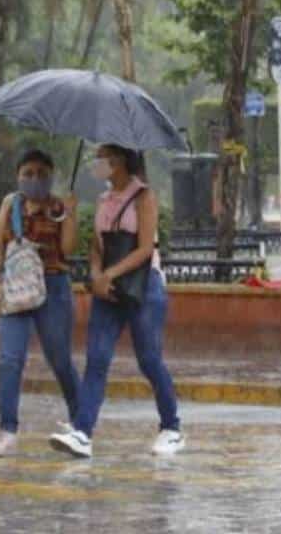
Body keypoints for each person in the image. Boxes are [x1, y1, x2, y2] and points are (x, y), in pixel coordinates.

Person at [49, 144, 184, 458]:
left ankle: (172, 428)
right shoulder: (103, 200)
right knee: (96, 358)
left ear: (119, 160)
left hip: (143, 287)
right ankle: (83, 432)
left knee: (149, 360)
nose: (96, 162)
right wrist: (97, 274)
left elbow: (146, 248)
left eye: (102, 156)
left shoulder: (144, 197)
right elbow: (96, 245)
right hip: (107, 290)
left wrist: (109, 273)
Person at [0, 149, 81, 457]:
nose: (34, 179)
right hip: (15, 289)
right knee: (10, 359)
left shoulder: (59, 207)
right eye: (27, 173)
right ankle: (7, 431)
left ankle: (81, 423)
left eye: (41, 173)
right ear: (18, 176)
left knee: (60, 359)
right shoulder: (10, 204)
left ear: (51, 176)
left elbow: (68, 249)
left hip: (53, 289)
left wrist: (72, 214)